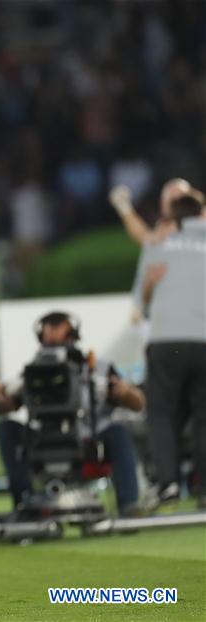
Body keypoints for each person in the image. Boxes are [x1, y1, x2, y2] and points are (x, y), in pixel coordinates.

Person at [0, 312, 146, 517]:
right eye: (48, 327)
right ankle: (23, 504)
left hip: (87, 443)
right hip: (44, 442)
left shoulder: (98, 370)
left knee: (118, 431)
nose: (51, 333)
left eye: (57, 326)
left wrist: (126, 393)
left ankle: (128, 505)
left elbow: (137, 403)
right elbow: (4, 405)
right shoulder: (33, 374)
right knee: (6, 428)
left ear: (71, 331)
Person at [132, 193, 206, 507]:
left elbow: (141, 303)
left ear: (172, 217)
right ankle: (203, 488)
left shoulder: (157, 243)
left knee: (161, 414)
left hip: (166, 341)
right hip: (204, 340)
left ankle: (168, 483)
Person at [109, 178, 200, 247]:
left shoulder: (201, 218)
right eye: (172, 198)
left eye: (180, 197)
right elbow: (146, 238)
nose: (176, 202)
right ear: (162, 206)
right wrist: (124, 207)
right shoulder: (163, 227)